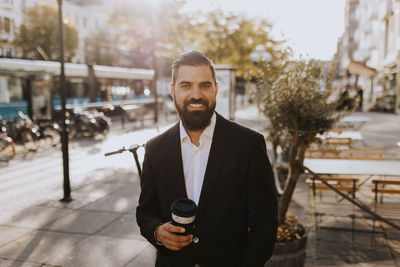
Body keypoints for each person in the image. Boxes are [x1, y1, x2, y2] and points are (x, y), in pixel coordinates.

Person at [136, 50, 278, 267]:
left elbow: (265, 222)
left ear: (216, 89)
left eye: (205, 85)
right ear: (172, 91)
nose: (196, 94)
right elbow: (146, 211)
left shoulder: (248, 144)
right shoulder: (155, 148)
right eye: (186, 85)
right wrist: (157, 232)